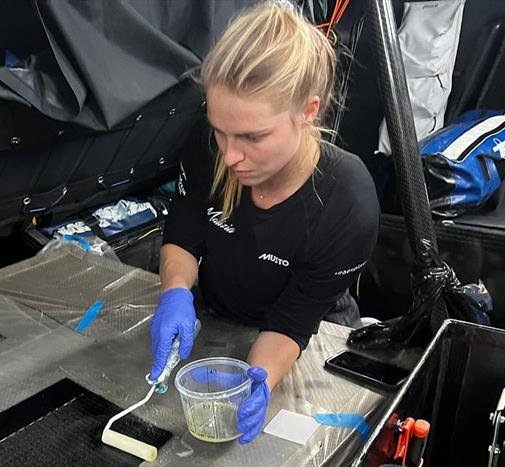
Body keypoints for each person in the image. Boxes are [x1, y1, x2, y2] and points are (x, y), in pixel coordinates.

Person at [149, 1, 380, 444]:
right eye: (221, 130)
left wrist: (260, 378)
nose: (230, 155)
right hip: (217, 320)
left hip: (310, 340)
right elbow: (184, 232)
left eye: (253, 137)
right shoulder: (207, 144)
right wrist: (176, 292)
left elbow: (293, 322)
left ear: (308, 111)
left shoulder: (347, 201)